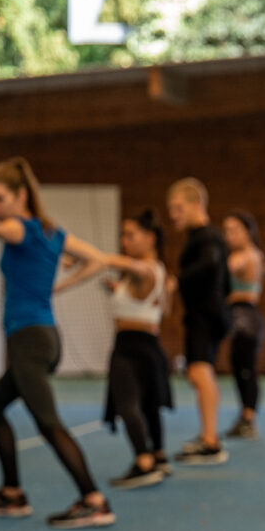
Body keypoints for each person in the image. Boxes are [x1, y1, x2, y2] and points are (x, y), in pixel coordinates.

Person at [0, 157, 115, 529]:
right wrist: (61, 286)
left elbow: (2, 231)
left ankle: (93, 500)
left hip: (30, 340)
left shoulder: (22, 228)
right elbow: (98, 260)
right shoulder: (53, 233)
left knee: (47, 422)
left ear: (21, 195)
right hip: (44, 338)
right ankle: (12, 493)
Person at [55, 207, 175, 489]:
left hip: (131, 346)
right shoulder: (151, 271)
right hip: (146, 344)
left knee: (126, 403)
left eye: (131, 235)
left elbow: (106, 259)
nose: (124, 241)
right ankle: (158, 455)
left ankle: (143, 461)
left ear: (150, 238)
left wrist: (65, 278)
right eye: (123, 235)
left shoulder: (144, 268)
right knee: (148, 404)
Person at [167, 178, 229, 465]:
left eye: (178, 208)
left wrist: (177, 280)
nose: (173, 215)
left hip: (206, 314)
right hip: (205, 313)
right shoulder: (199, 237)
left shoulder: (208, 237)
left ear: (197, 204)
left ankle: (211, 442)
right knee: (198, 373)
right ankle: (208, 435)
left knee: (199, 372)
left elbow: (211, 263)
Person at [222, 210, 265, 441]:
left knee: (247, 369)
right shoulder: (254, 256)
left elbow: (234, 266)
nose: (229, 235)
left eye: (234, 230)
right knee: (239, 367)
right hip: (239, 316)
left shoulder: (245, 255)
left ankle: (248, 418)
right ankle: (245, 416)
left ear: (248, 232)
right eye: (226, 231)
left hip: (246, 317)